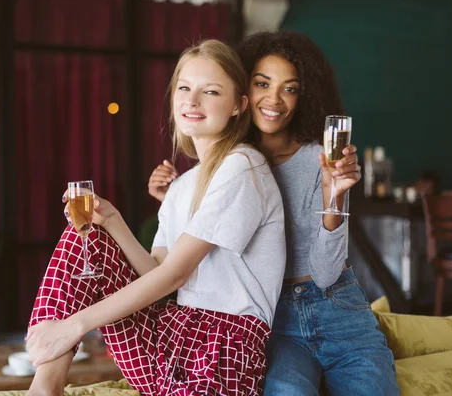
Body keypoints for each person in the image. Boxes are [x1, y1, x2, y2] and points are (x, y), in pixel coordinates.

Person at [24, 39, 287, 396]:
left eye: (210, 91)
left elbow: (175, 273)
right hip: (166, 336)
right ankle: (45, 387)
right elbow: (157, 272)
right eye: (184, 88)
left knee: (91, 259)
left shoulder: (243, 165)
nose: (191, 101)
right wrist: (112, 219)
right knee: (85, 235)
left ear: (239, 105)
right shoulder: (182, 186)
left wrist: (74, 326)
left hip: (222, 347)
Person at [148, 31, 400, 396]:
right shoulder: (229, 167)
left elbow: (327, 273)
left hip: (338, 309)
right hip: (273, 321)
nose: (275, 99)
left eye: (290, 88)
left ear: (305, 96)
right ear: (242, 93)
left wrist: (335, 197)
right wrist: (172, 200)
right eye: (263, 83)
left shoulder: (321, 161)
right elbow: (209, 251)